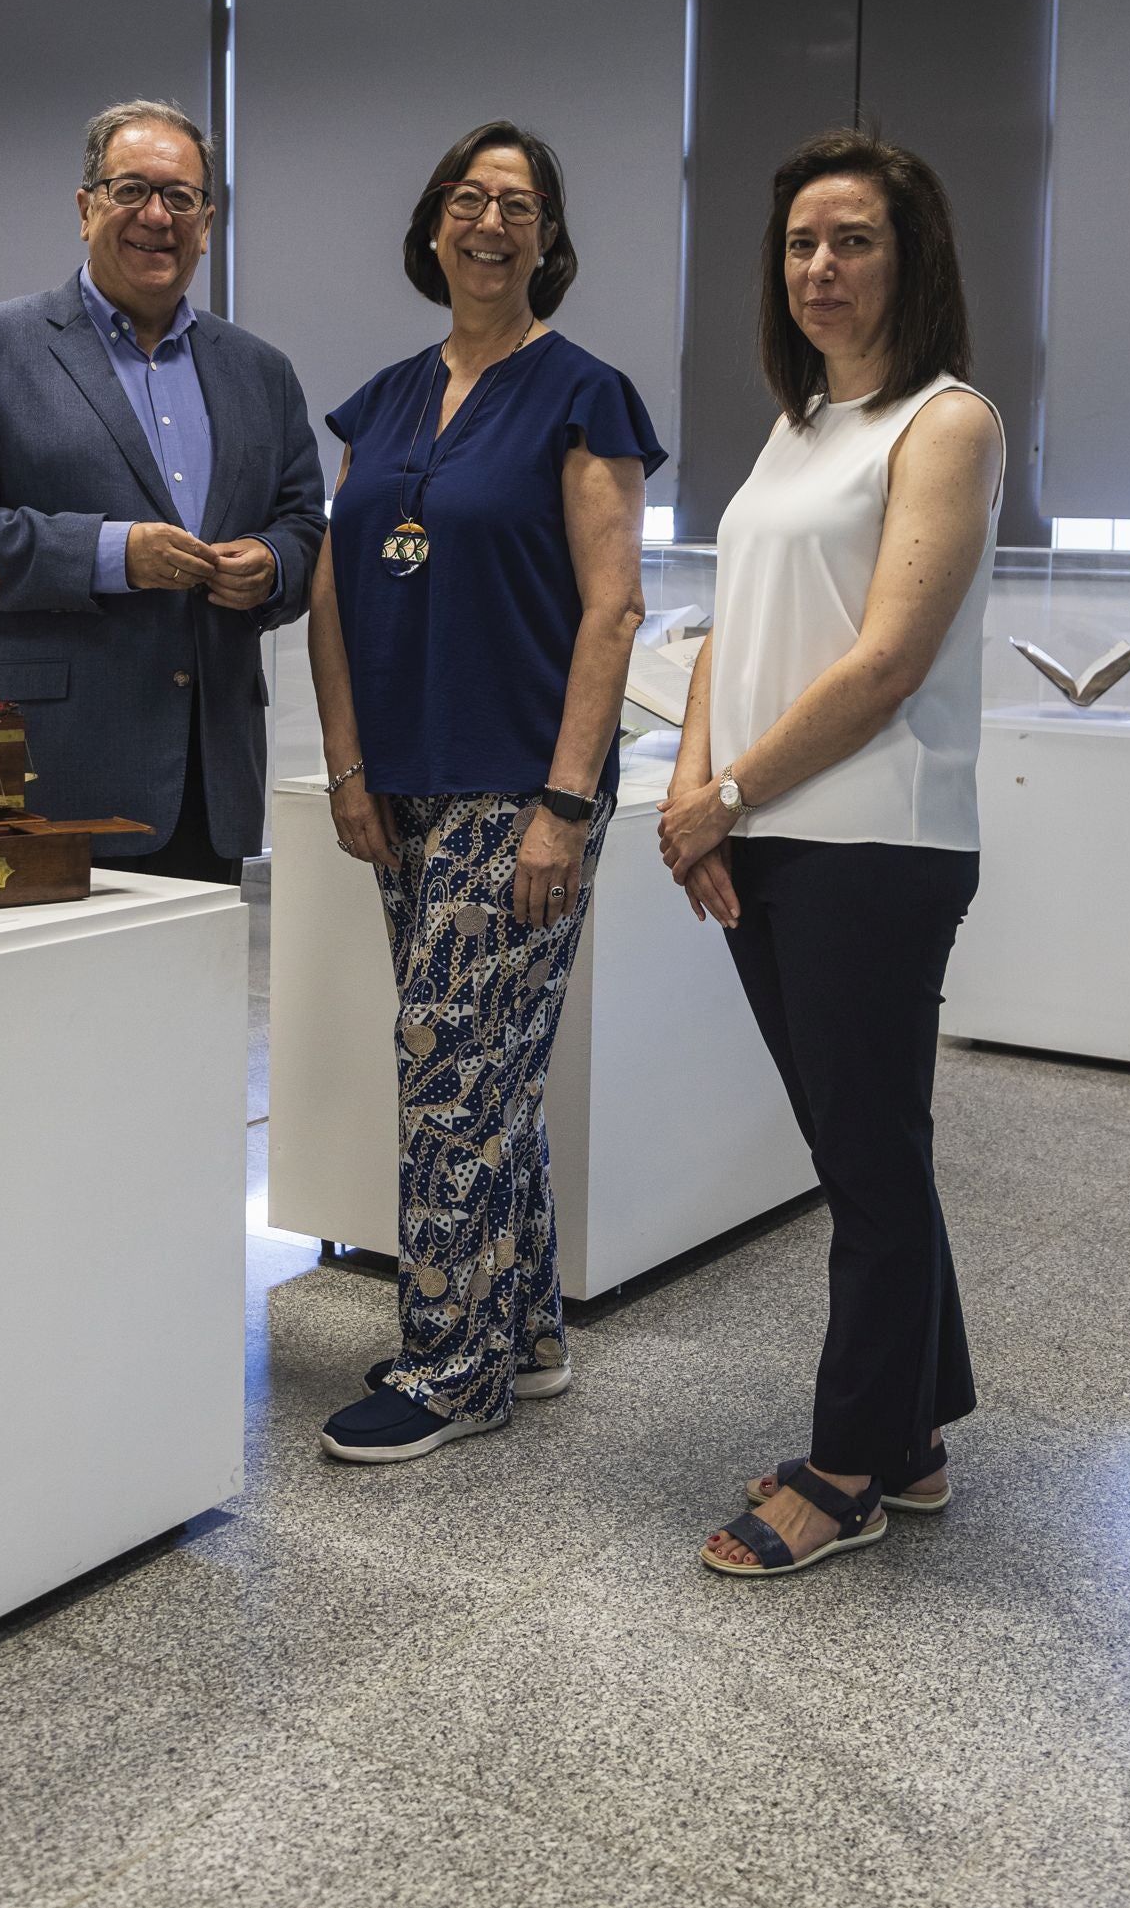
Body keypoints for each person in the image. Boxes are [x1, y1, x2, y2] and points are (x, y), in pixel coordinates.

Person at [656, 128, 1004, 1579]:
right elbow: (733, 617)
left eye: (852, 239)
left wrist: (725, 793)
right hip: (767, 834)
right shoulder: (798, 425)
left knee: (863, 1165)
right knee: (866, 1152)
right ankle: (916, 1430)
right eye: (801, 242)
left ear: (906, 260)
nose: (821, 266)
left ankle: (848, 1463)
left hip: (871, 841)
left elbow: (885, 664)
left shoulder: (945, 422)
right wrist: (693, 793)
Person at [309, 120, 666, 1463]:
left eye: (519, 203)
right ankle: (521, 1330)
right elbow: (336, 589)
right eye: (469, 197)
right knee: (481, 1065)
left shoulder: (585, 395)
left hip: (519, 784)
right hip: (402, 782)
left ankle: (449, 1364)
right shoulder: (383, 399)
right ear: (434, 225)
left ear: (547, 238)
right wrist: (349, 764)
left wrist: (564, 803)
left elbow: (613, 610)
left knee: (448, 1068)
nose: (491, 222)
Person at [0, 98, 324, 881]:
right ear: (85, 205)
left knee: (196, 1005)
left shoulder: (261, 370)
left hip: (209, 773)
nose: (155, 215)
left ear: (207, 220)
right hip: (50, 773)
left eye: (181, 197)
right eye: (130, 190)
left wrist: (270, 563)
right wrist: (110, 553)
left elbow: (304, 522)